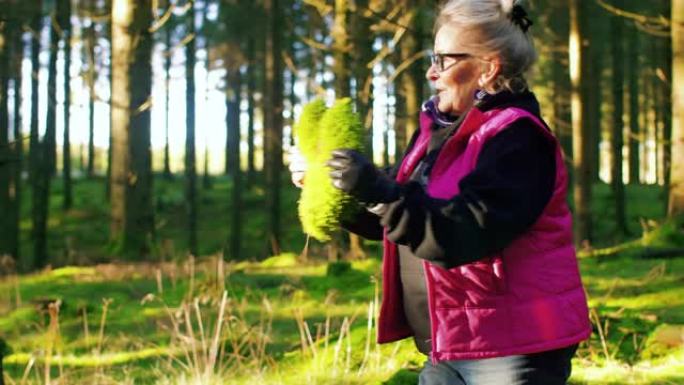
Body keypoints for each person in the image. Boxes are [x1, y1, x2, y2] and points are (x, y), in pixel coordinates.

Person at [291, 0, 591, 383]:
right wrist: (338, 190)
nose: (432, 72)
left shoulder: (518, 138)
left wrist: (377, 190)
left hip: (512, 349)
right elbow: (403, 221)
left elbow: (461, 231)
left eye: (443, 59)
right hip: (448, 341)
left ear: (488, 68)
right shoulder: (435, 130)